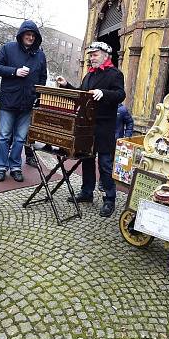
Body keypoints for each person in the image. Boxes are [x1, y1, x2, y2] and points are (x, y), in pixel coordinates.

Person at [57, 41, 126, 217]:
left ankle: (109, 199)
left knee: (105, 164)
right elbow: (82, 95)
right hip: (87, 126)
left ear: (105, 55)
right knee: (87, 160)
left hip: (104, 127)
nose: (91, 58)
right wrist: (66, 85)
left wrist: (104, 93)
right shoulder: (88, 75)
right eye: (90, 55)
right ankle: (87, 193)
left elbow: (120, 95)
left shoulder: (115, 74)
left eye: (95, 55)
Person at [0, 20, 47, 183]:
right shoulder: (8, 48)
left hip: (28, 103)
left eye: (33, 35)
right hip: (9, 100)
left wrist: (38, 95)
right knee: (4, 136)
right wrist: (15, 71)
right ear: (21, 35)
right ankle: (1, 167)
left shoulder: (40, 54)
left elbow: (43, 77)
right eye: (27, 34)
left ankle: (15, 167)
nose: (30, 37)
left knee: (21, 138)